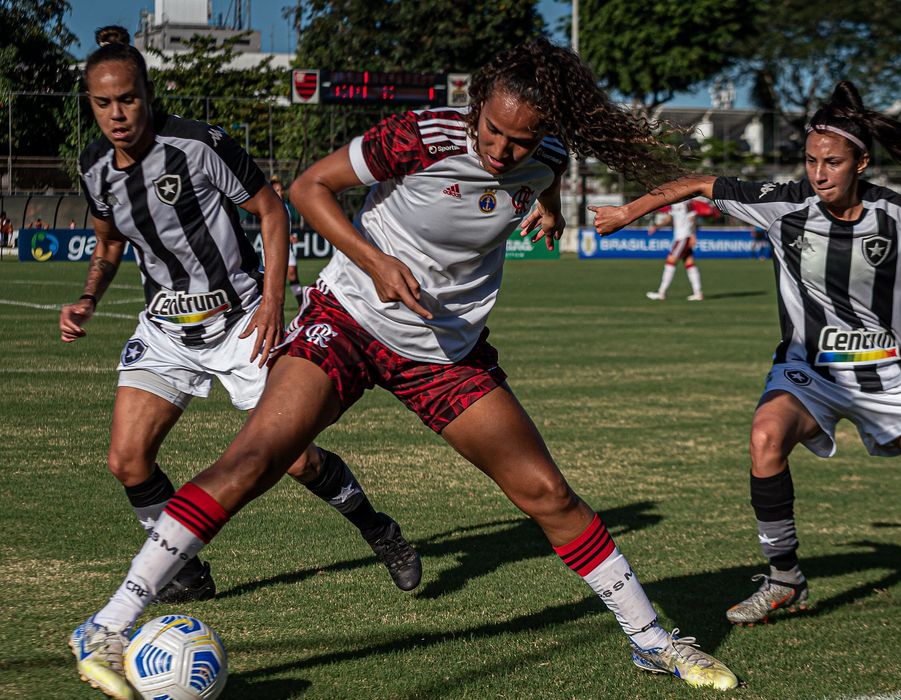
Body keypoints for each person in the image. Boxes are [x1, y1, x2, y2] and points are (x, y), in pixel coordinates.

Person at [70, 36, 737, 699]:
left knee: (546, 494)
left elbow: (544, 173)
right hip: (349, 320)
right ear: (475, 109)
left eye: (520, 142)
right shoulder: (422, 134)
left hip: (445, 352)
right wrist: (376, 261)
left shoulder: (545, 157)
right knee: (256, 459)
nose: (501, 152)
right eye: (492, 133)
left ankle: (653, 642)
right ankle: (107, 625)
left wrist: (549, 204)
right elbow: (308, 189)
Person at [593, 80, 901, 626]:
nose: (818, 173)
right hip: (810, 373)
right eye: (810, 160)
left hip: (886, 378)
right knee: (764, 437)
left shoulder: (898, 216)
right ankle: (785, 581)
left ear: (862, 163)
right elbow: (699, 183)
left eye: (832, 162)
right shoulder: (783, 204)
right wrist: (626, 212)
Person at [62, 25, 419, 636]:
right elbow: (109, 239)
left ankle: (378, 528)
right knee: (127, 460)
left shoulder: (198, 145)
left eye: (127, 99)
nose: (117, 115)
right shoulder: (94, 166)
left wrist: (273, 301)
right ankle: (188, 570)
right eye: (103, 102)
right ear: (90, 104)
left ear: (147, 94)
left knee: (296, 460)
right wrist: (89, 297)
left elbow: (271, 209)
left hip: (240, 322)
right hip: (169, 330)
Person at [645, 200, 703, 301]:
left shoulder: (687, 202)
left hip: (684, 236)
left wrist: (693, 235)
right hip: (680, 237)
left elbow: (692, 218)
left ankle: (661, 292)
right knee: (689, 263)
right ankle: (698, 293)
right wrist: (656, 226)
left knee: (670, 261)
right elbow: (669, 218)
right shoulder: (674, 202)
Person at [269, 174, 305, 307]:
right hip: (272, 249)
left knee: (292, 274)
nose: (281, 192)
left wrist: (291, 235)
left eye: (281, 190)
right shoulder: (269, 207)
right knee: (274, 281)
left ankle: (302, 304)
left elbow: (286, 227)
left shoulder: (286, 207)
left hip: (286, 247)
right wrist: (286, 237)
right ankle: (272, 306)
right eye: (277, 190)